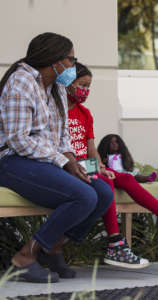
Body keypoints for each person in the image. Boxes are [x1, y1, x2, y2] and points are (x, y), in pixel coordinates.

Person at [0, 33, 113, 283]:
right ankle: (23, 258)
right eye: (71, 60)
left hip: (46, 160)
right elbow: (18, 139)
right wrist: (63, 161)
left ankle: (51, 248)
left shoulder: (57, 88)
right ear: (54, 60)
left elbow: (62, 137)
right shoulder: (21, 83)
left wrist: (73, 160)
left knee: (103, 193)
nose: (73, 67)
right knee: (83, 195)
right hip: (13, 162)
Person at [67, 63, 158, 269]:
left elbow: (91, 147)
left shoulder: (85, 113)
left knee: (124, 177)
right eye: (82, 85)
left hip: (87, 164)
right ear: (68, 83)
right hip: (70, 166)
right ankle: (116, 244)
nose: (85, 91)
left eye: (89, 87)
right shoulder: (57, 112)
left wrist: (99, 164)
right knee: (107, 180)